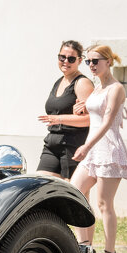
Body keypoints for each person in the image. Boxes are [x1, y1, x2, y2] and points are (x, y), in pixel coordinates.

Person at [70, 45, 127, 253]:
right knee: (75, 192)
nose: (91, 66)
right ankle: (84, 245)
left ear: (108, 61)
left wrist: (85, 147)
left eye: (95, 61)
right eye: (88, 62)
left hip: (108, 150)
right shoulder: (97, 87)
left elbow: (107, 122)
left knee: (104, 204)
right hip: (93, 149)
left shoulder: (116, 88)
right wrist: (82, 108)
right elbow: (94, 113)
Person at [36, 41, 94, 179]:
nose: (65, 61)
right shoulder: (59, 81)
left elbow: (90, 120)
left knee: (73, 194)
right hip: (52, 144)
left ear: (80, 60)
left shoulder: (81, 83)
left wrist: (59, 119)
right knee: (41, 185)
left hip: (72, 145)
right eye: (62, 57)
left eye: (71, 59)